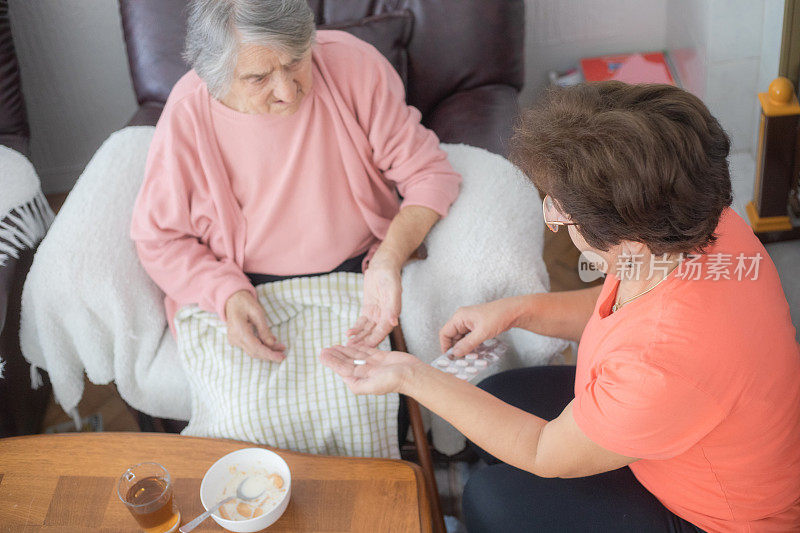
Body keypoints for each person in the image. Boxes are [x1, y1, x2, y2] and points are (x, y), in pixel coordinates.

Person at [321, 82, 800, 531]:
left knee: (491, 498)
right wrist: (516, 310)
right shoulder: (700, 226)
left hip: (716, 515)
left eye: (562, 213)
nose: (552, 220)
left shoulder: (665, 362)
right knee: (503, 394)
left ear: (629, 242)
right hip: (677, 425)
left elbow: (542, 449)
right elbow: (621, 306)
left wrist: (410, 375)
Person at [130, 0, 461, 359]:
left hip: (361, 267)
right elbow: (158, 239)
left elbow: (429, 175)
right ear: (214, 76)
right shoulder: (187, 114)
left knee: (376, 395)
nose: (288, 92)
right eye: (258, 78)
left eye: (295, 62)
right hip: (246, 284)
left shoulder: (356, 65)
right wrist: (225, 293)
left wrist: (389, 259)